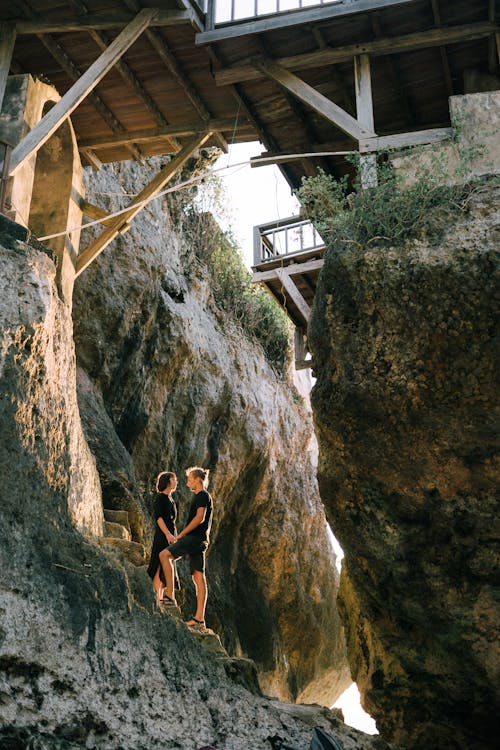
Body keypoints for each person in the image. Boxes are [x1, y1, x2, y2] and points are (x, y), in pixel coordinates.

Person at [159, 466, 213, 628]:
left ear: (198, 480)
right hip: (202, 540)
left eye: (190, 479)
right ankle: (199, 619)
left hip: (194, 539)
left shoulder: (202, 496)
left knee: (164, 555)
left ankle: (170, 595)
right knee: (198, 578)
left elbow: (199, 518)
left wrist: (181, 535)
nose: (188, 483)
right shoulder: (203, 496)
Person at [146, 471, 178, 603]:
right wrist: (168, 534)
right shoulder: (160, 498)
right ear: (168, 481)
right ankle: (155, 597)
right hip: (163, 534)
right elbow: (159, 519)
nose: (176, 482)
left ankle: (160, 596)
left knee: (165, 565)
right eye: (174, 479)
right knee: (158, 565)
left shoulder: (170, 498)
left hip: (170, 534)